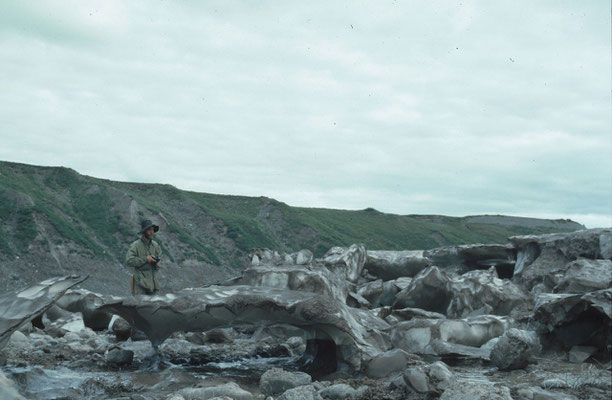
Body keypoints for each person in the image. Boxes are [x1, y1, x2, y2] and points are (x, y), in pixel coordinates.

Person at [126, 220, 163, 295]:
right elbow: (129, 260)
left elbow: (160, 256)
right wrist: (145, 259)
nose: (152, 232)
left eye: (152, 230)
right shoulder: (135, 245)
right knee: (140, 305)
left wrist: (158, 262)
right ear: (144, 231)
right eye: (149, 230)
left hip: (152, 284)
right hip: (139, 285)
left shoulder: (155, 245)